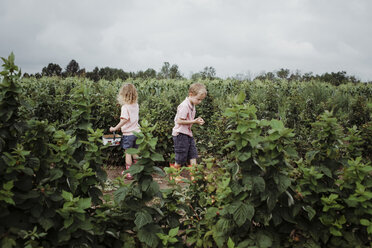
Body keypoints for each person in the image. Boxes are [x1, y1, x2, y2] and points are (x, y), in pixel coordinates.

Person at [171, 82, 207, 180]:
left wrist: (196, 120)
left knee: (193, 154)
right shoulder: (184, 106)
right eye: (198, 99)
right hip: (180, 134)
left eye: (201, 100)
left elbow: (188, 119)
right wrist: (194, 121)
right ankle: (174, 175)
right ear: (191, 94)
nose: (199, 102)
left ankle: (194, 175)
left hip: (187, 133)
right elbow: (179, 121)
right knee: (181, 155)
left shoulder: (192, 105)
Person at [110, 83, 140, 180]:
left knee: (128, 152)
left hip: (128, 134)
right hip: (137, 133)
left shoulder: (125, 107)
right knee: (135, 152)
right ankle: (138, 170)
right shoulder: (136, 105)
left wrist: (115, 128)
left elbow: (124, 120)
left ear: (123, 95)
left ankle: (129, 172)